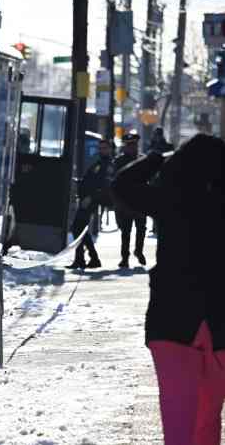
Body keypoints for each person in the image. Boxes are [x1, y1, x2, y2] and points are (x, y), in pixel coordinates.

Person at [112, 134, 224, 445]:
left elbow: (121, 186)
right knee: (208, 418)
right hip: (220, 321)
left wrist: (156, 159)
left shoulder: (170, 198)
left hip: (171, 321)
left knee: (177, 418)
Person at [67, 139, 115, 269]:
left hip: (91, 200)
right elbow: (91, 180)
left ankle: (86, 259)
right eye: (100, 148)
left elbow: (103, 186)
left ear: (110, 149)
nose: (101, 150)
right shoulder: (99, 163)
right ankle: (87, 258)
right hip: (86, 199)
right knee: (79, 228)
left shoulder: (108, 165)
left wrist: (90, 197)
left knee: (78, 227)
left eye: (104, 148)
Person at [114, 132, 147, 268]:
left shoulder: (143, 159)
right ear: (125, 146)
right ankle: (125, 257)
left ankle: (139, 251)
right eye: (129, 145)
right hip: (125, 202)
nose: (132, 148)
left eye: (134, 145)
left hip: (140, 200)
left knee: (141, 229)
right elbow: (113, 181)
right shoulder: (119, 161)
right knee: (126, 231)